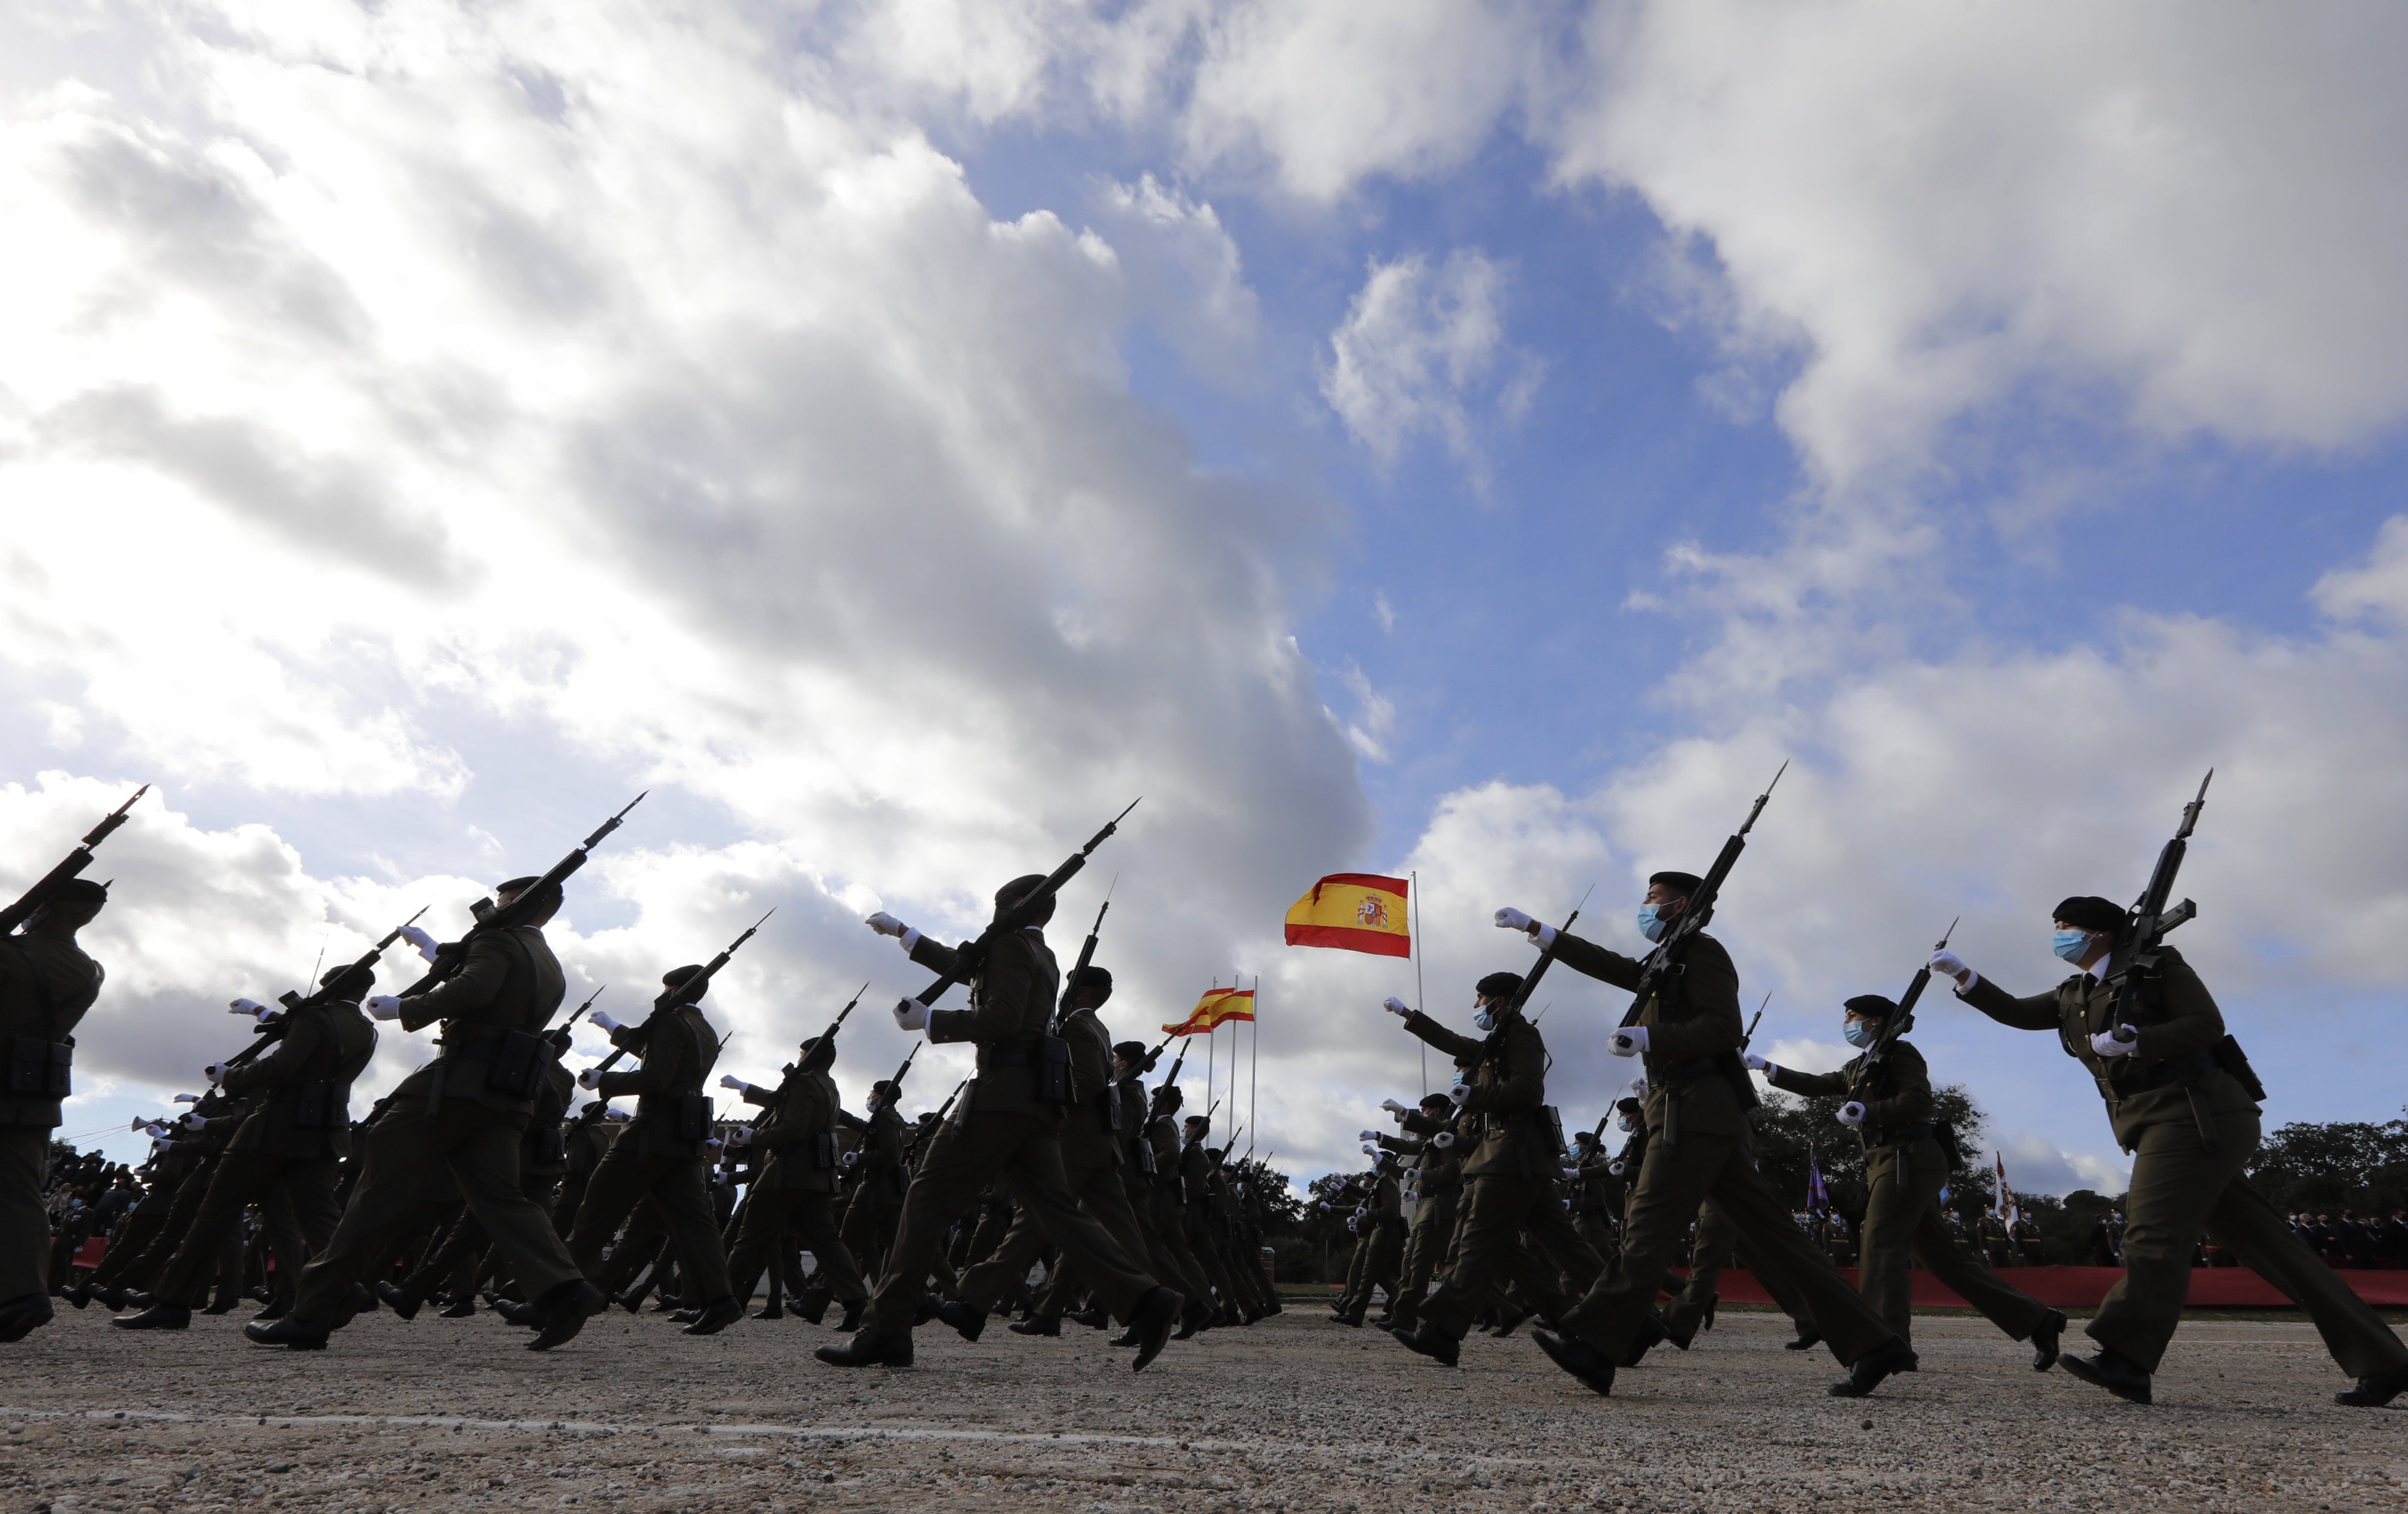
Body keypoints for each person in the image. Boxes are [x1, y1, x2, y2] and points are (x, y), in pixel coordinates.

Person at [1939, 894, 2408, 1407]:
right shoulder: (2074, 991)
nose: (2057, 934)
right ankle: (2386, 1363)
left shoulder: (2158, 967)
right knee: (2279, 1252)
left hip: (2197, 1112)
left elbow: (2206, 1025)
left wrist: (2137, 1040)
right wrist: (1963, 976)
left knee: (2150, 1233)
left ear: (2099, 934)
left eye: (2066, 925)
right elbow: (2016, 1012)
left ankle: (2126, 1357)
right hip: (2156, 1121)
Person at [1496, 879, 1915, 1398]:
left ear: (1681, 906)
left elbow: (1722, 1028)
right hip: (1691, 1110)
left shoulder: (1703, 952)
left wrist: (1651, 1038)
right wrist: (1540, 932)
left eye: (1654, 897)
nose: (1645, 906)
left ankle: (1593, 1343)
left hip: (1695, 1109)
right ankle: (1876, 1343)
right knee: (1778, 1241)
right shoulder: (1667, 959)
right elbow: (1617, 968)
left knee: (1647, 1226)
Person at [817, 882, 1182, 1370]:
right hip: (1033, 1105)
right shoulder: (1039, 951)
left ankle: (886, 1331)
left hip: (999, 1099)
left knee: (924, 1202)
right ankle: (1147, 1301)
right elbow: (968, 964)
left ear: (1013, 906)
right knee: (1059, 1213)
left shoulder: (1011, 945)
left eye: (995, 906)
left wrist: (932, 1021)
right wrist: (905, 934)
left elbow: (1002, 1019)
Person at [246, 876, 600, 1351]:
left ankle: (313, 1312)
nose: (490, 913)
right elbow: (490, 988)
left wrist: (405, 1007)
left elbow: (474, 989)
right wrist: (435, 954)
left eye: (501, 904)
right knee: (503, 1199)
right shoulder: (549, 963)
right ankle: (567, 1291)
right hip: (507, 1094)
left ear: (518, 905)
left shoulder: (497, 941)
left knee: (376, 1191)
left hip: (455, 1085)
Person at [1749, 994, 2066, 1369]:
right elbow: (1819, 1083)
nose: (1847, 1021)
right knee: (1945, 1261)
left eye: (1854, 1016)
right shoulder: (1859, 1065)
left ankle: (1883, 1344)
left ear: (1877, 1022)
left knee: (1880, 1241)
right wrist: (1766, 1066)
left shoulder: (1901, 1054)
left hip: (1909, 1158)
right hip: (1889, 1160)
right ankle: (2038, 1320)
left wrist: (1871, 1111)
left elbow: (1918, 1101)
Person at [113, 963, 380, 1330]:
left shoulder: (316, 1019)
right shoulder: (367, 1030)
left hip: (275, 1128)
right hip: (324, 1131)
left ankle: (172, 1301)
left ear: (328, 987)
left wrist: (232, 1077)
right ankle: (347, 1287)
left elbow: (279, 1068)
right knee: (320, 1220)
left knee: (216, 1211)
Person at [1384, 971, 1605, 1368]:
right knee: (1561, 1251)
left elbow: (1526, 1092)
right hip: (1509, 1158)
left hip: (1511, 1156)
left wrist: (1476, 1095)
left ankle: (1443, 1332)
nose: (1476, 1007)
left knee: (1476, 1246)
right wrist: (1409, 1015)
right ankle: (1622, 1322)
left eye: (1480, 999)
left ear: (1500, 1002)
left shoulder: (1520, 1035)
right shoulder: (1500, 1039)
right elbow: (1455, 1042)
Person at [565, 968, 741, 1335]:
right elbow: (659, 1055)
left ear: (675, 989)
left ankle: (551, 1294)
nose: (661, 995)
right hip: (682, 1138)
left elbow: (657, 1077)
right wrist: (614, 1029)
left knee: (594, 1213)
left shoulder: (672, 1022)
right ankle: (722, 1301)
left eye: (666, 988)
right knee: (695, 1225)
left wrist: (606, 1081)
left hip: (649, 1135)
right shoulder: (703, 1029)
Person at [0, 878, 108, 1344]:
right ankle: (25, 1294)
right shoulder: (88, 970)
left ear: (44, 907)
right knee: (20, 1194)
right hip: (33, 1089)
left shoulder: (11, 953)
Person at [721, 1028, 870, 1326]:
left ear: (809, 1058)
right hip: (817, 1178)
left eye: (802, 1055)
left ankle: (716, 1301)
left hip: (786, 1175)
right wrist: (744, 1088)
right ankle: (856, 1302)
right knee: (828, 1243)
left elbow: (791, 1129)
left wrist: (755, 1138)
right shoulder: (829, 1086)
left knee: (747, 1241)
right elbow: (780, 1101)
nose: (798, 1059)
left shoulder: (803, 1082)